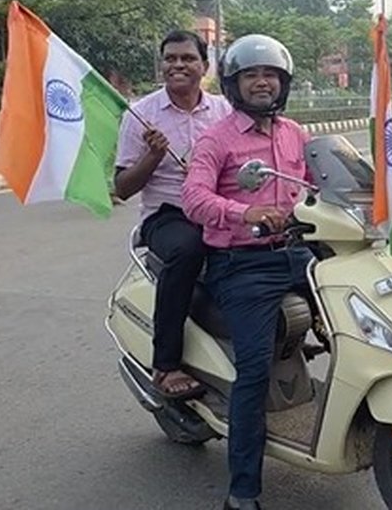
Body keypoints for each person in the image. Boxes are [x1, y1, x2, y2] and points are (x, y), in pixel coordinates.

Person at [182, 34, 315, 510]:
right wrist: (246, 213)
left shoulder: (295, 134)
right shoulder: (216, 140)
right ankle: (242, 492)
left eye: (271, 75)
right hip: (242, 266)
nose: (263, 82)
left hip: (296, 254)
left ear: (283, 82)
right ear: (235, 85)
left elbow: (323, 184)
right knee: (254, 370)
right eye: (252, 75)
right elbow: (193, 199)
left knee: (358, 317)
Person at [114, 30, 232, 398]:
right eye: (170, 59)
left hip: (218, 209)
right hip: (169, 214)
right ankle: (166, 365)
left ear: (205, 66)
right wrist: (153, 156)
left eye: (187, 58)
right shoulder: (142, 115)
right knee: (187, 250)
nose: (177, 65)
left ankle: (278, 337)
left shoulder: (224, 111)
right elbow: (122, 188)